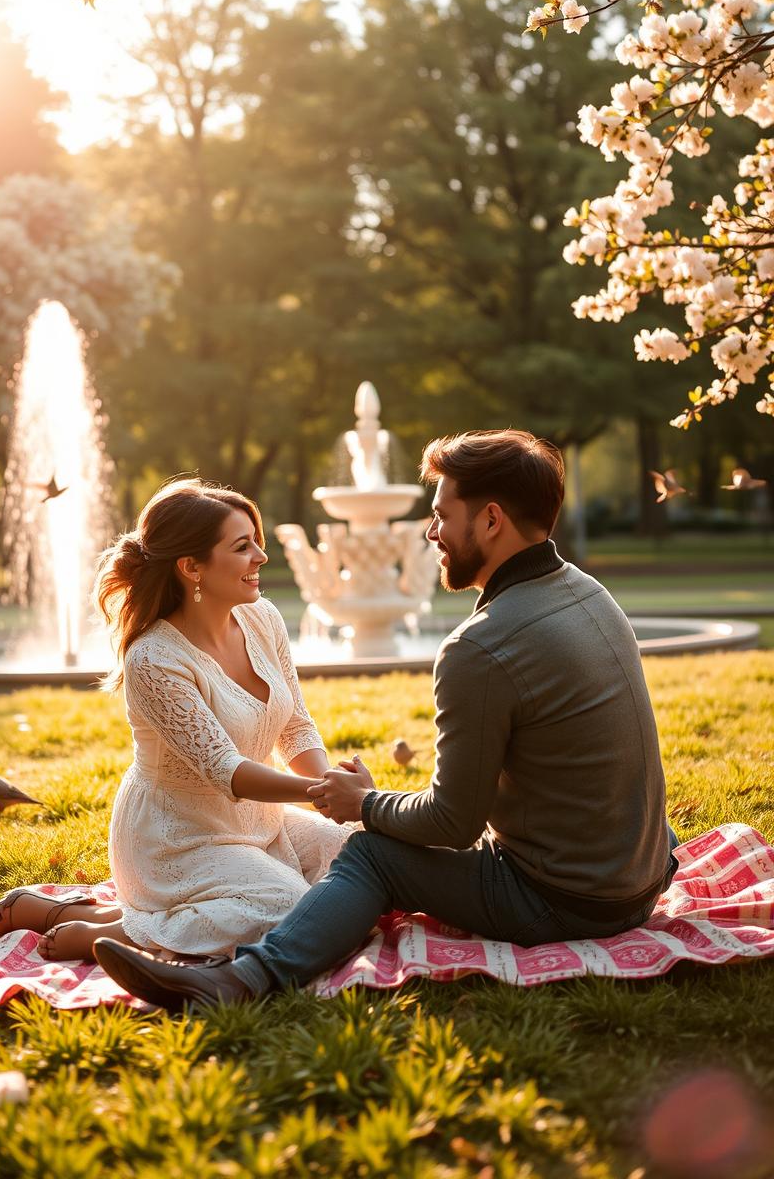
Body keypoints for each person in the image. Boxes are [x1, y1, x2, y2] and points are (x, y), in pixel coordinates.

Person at [93, 431, 679, 1010]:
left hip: (565, 902)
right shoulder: (589, 592)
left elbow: (452, 822)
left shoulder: (482, 646)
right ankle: (139, 925)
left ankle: (240, 981)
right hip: (643, 875)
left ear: (492, 520)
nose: (431, 534)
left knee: (371, 855)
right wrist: (344, 796)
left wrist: (366, 803)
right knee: (360, 847)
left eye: (442, 516)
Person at [0, 479, 355, 962]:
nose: (261, 556)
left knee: (359, 853)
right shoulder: (154, 658)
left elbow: (295, 725)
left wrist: (332, 785)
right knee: (291, 909)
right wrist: (323, 794)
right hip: (173, 840)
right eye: (243, 547)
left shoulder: (263, 618)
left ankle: (108, 918)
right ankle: (111, 929)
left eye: (256, 541)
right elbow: (228, 772)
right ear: (191, 567)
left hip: (260, 820)